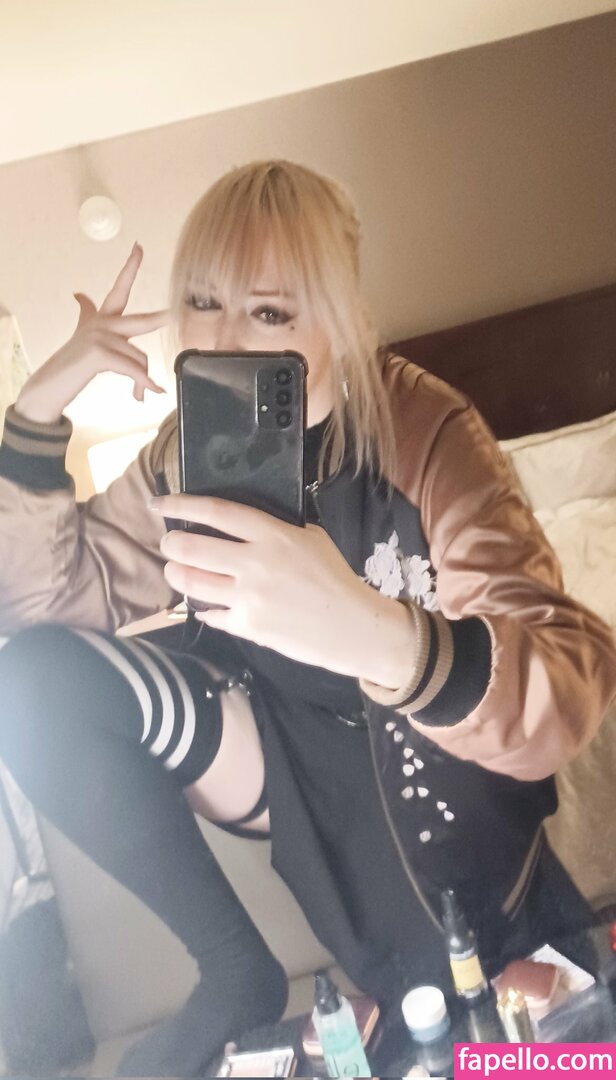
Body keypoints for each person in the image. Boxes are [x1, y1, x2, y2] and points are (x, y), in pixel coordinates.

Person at [0, 160, 615, 1077]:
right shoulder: (186, 452)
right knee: (28, 682)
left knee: (526, 1038)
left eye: (271, 312)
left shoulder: (425, 434)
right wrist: (39, 405)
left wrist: (373, 632)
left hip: (439, 768)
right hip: (281, 749)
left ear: (343, 318)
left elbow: (568, 685)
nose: (224, 338)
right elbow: (46, 604)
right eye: (203, 302)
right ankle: (232, 972)